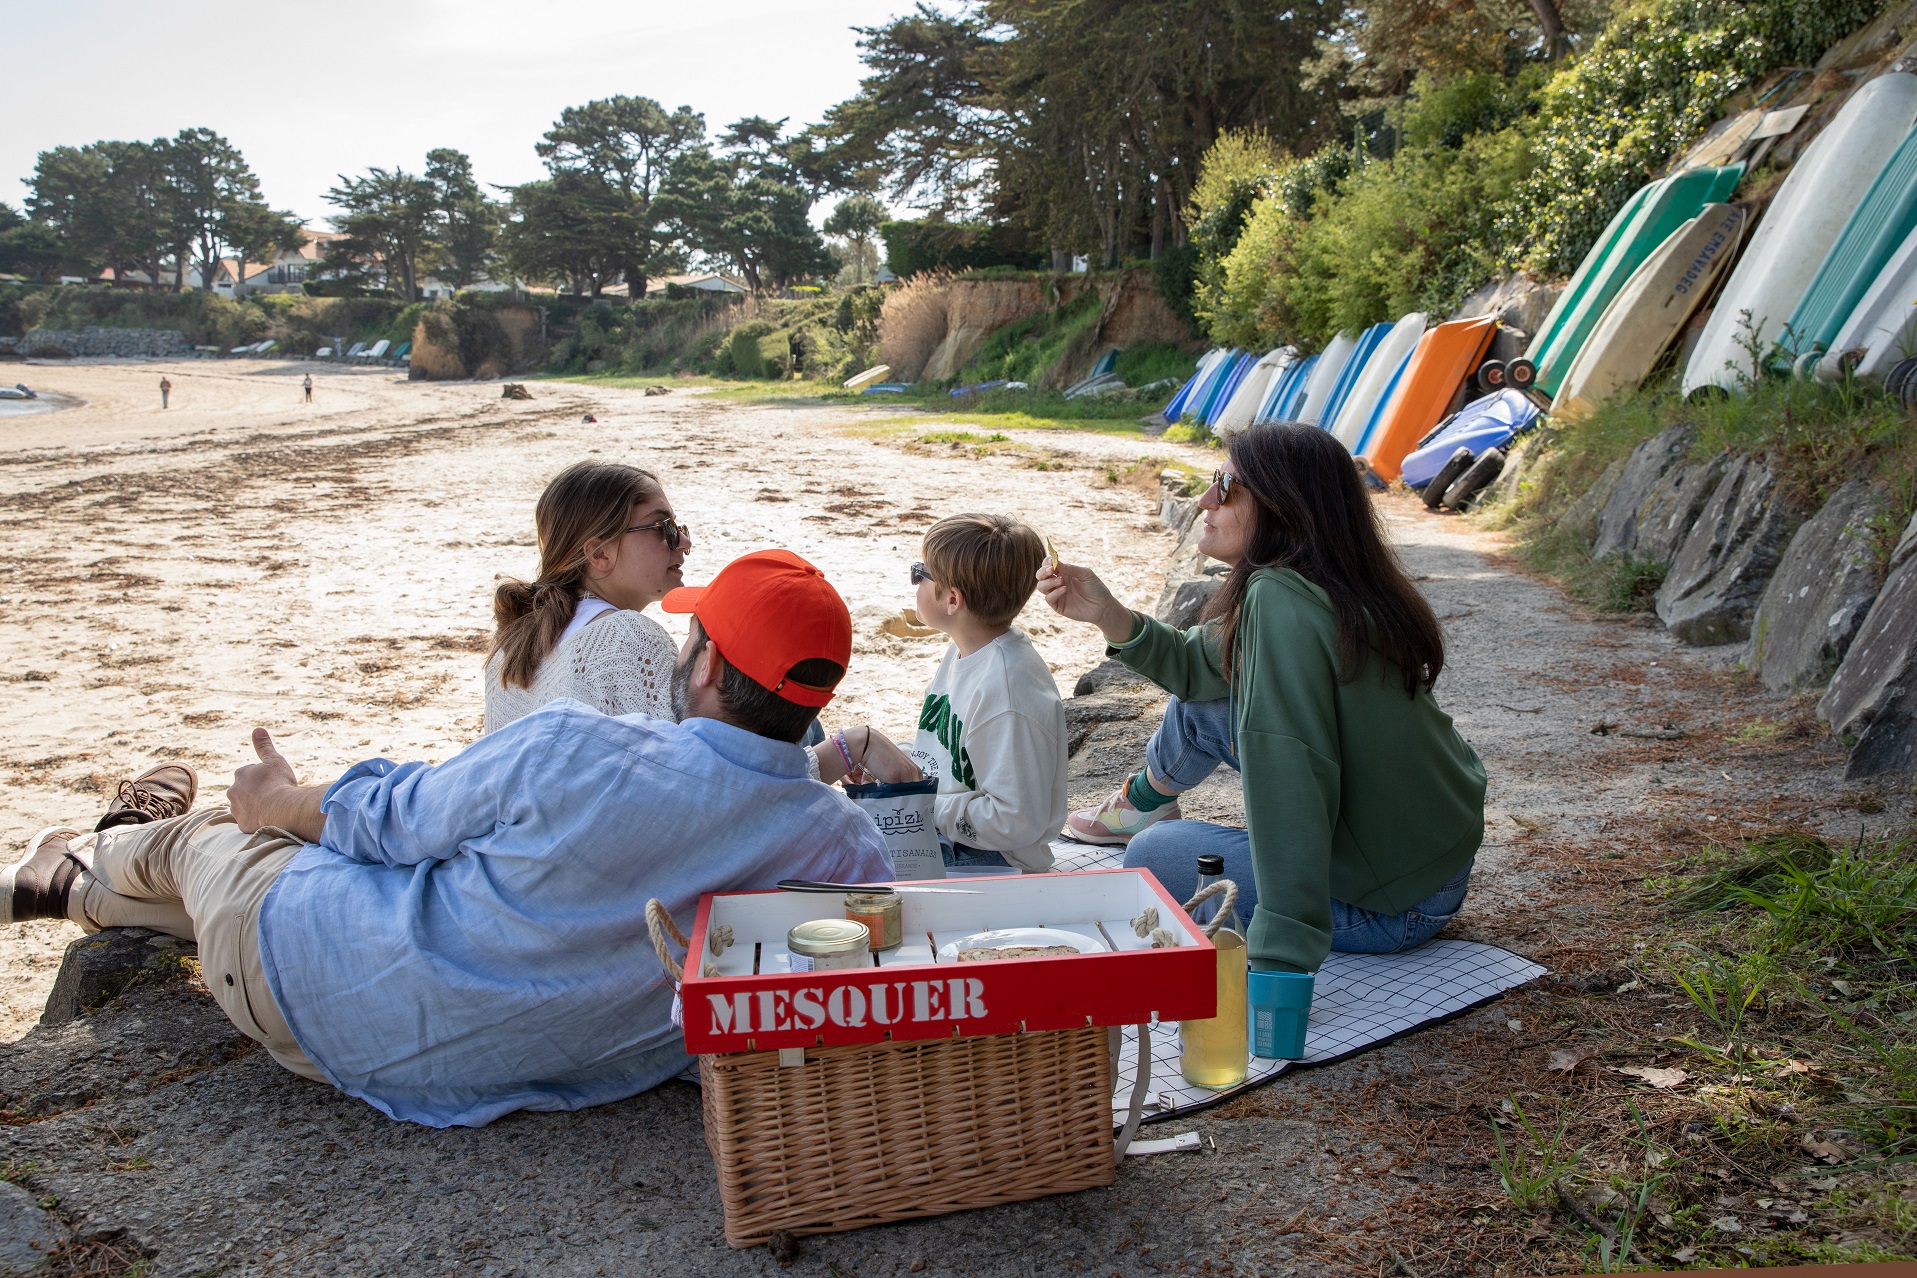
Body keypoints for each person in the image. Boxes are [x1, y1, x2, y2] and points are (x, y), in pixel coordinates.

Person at [1, 550, 896, 1127]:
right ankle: (66, 889)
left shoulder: (577, 746)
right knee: (225, 898)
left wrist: (275, 797)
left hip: (317, 983)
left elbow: (388, 825)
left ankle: (111, 838)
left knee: (207, 842)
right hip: (490, 1073)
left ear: (701, 663)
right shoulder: (848, 853)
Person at [1040, 423, 1486, 976]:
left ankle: (1145, 816)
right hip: (1431, 863)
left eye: (1225, 487)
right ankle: (1145, 799)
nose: (1205, 499)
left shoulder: (1279, 601)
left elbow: (1292, 773)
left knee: (1154, 855)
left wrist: (1280, 956)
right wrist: (1105, 612)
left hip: (1393, 907)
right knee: (1205, 698)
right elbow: (1193, 667)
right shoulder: (1328, 582)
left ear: (1281, 506)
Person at [906, 515, 1066, 872]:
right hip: (954, 831)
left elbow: (1015, 820)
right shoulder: (965, 650)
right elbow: (946, 753)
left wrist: (922, 803)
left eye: (920, 573)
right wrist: (895, 767)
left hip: (993, 858)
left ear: (951, 599)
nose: (914, 581)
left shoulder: (1007, 691)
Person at [483, 462, 689, 733]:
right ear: (600, 553)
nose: (685, 543)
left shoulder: (512, 642)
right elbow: (677, 764)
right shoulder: (627, 637)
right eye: (663, 528)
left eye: (679, 527)